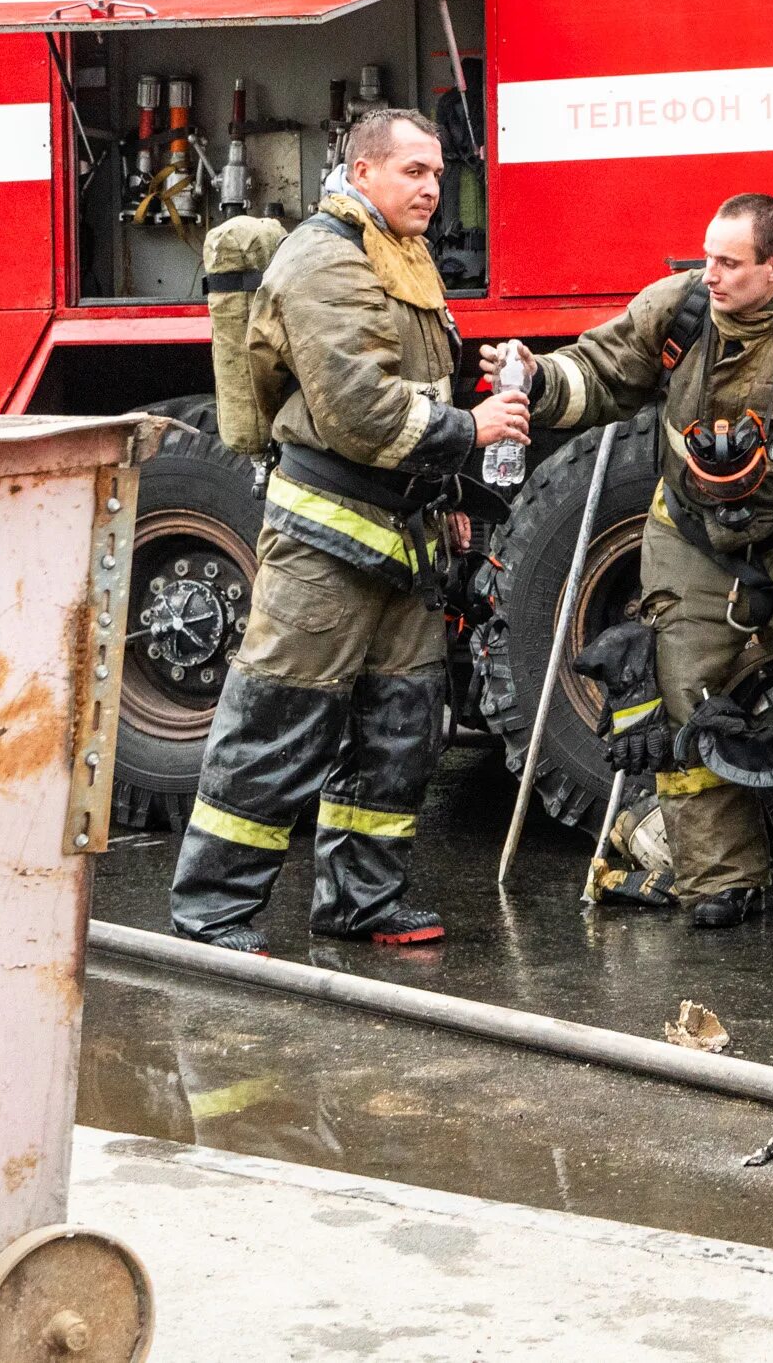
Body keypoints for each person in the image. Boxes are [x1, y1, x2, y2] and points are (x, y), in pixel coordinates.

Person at [170, 109, 529, 953]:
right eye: (413, 171)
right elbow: (361, 408)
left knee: (399, 725)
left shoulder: (400, 252)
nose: (433, 188)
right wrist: (470, 430)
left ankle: (360, 900)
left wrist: (462, 395)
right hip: (328, 540)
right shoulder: (326, 258)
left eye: (438, 174)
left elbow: (409, 376)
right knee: (277, 723)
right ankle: (212, 912)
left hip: (402, 537)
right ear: (362, 172)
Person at [488, 196, 773, 927]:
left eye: (729, 263)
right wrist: (536, 377)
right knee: (690, 691)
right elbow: (601, 370)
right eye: (707, 256)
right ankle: (719, 878)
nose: (711, 274)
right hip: (691, 537)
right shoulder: (680, 310)